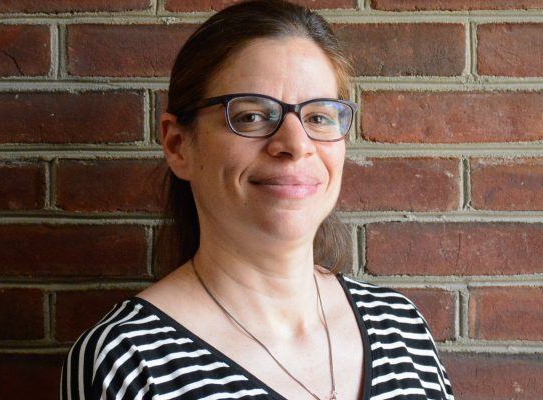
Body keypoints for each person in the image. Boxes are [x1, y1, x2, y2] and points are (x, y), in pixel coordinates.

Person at [60, 1, 454, 399]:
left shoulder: (401, 328)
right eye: (251, 116)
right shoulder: (126, 361)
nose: (296, 145)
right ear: (178, 145)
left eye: (318, 117)